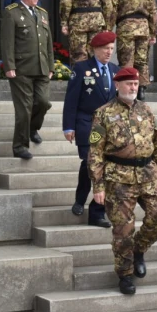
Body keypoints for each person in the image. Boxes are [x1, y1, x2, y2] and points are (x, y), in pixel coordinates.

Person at [88, 67, 157, 295]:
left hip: (148, 174)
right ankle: (125, 275)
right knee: (123, 230)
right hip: (118, 179)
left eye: (135, 84)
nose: (133, 87)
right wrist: (98, 186)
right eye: (128, 84)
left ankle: (139, 249)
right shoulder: (103, 113)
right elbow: (95, 153)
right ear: (117, 85)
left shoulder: (146, 110)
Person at [62, 31, 119, 228]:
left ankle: (97, 212)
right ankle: (80, 198)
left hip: (108, 127)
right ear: (95, 49)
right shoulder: (82, 69)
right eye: (105, 49)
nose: (109, 52)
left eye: (111, 49)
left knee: (104, 167)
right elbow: (71, 100)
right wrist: (69, 126)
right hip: (87, 123)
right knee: (89, 164)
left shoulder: (114, 70)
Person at [1, 0, 54, 160]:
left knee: (44, 102)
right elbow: (7, 42)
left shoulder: (42, 13)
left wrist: (51, 66)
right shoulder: (12, 13)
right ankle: (20, 146)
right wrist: (9, 66)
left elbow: (48, 42)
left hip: (42, 67)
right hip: (21, 69)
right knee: (24, 110)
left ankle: (32, 128)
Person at [111, 0, 157, 101]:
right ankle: (141, 90)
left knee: (126, 59)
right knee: (142, 60)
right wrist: (153, 32)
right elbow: (154, 13)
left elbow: (112, 11)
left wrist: (108, 28)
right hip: (143, 28)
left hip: (126, 26)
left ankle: (126, 89)